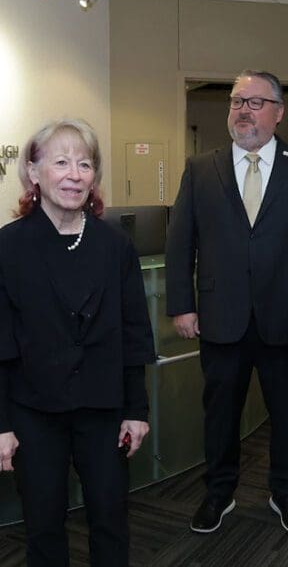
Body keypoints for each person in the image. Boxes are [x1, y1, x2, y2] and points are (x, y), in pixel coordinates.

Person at [166, 70, 288, 535]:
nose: (243, 110)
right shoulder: (200, 168)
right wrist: (182, 305)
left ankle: (286, 493)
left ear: (279, 112)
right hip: (220, 320)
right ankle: (218, 493)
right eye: (236, 101)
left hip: (286, 318)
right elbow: (180, 242)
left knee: (287, 415)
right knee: (220, 415)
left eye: (255, 102)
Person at [0, 118, 156, 567]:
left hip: (103, 409)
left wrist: (136, 409)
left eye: (85, 164)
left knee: (110, 519)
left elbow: (133, 331)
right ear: (33, 172)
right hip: (34, 411)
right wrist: (2, 424)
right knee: (43, 525)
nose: (74, 174)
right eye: (61, 162)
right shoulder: (8, 247)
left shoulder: (115, 245)